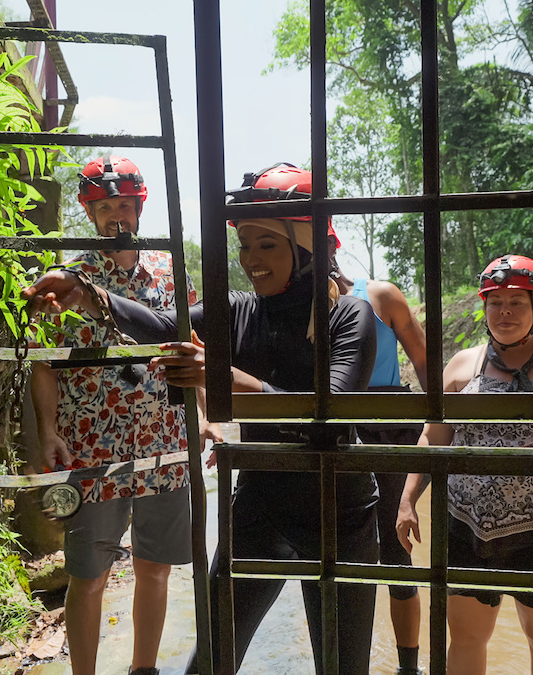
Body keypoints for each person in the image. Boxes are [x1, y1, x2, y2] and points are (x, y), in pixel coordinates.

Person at [23, 162, 380, 674]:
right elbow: (162, 326)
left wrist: (218, 374)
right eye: (246, 247)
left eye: (267, 246)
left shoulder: (349, 316)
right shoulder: (239, 310)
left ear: (307, 250)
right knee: (211, 662)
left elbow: (326, 409)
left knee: (341, 667)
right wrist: (88, 295)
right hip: (261, 502)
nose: (250, 260)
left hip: (338, 512)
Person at [395, 254, 533, 675]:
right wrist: (406, 501)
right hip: (467, 522)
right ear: (484, 308)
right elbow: (432, 439)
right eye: (495, 303)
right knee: (467, 638)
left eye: (517, 302)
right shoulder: (461, 366)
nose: (505, 311)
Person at [30, 156, 196, 675]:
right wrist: (48, 432)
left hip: (164, 443)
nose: (116, 215)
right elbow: (44, 363)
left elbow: (191, 353)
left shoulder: (172, 275)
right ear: (90, 212)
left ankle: (143, 669)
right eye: (105, 207)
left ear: (140, 206)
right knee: (89, 575)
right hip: (91, 447)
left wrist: (205, 420)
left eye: (125, 204)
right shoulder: (67, 282)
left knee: (155, 569)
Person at [329, 244, 429, 675]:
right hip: (333, 425)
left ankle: (409, 666)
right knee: (337, 551)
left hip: (388, 423)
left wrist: (437, 426)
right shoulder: (295, 308)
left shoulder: (381, 296)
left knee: (396, 551)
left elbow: (423, 358)